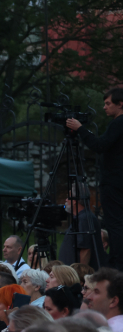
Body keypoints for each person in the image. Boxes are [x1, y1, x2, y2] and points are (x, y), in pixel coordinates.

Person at [67, 88, 123, 268]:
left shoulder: (118, 123)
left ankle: (116, 263)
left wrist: (81, 129)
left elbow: (100, 145)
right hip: (117, 181)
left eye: (108, 103)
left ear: (120, 104)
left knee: (115, 224)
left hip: (114, 182)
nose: (104, 107)